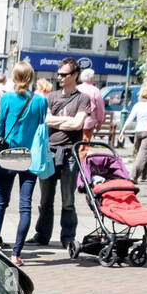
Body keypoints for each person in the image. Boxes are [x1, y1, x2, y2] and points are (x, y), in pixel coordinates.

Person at [0, 60, 48, 266]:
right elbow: (41, 127)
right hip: (30, 155)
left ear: (14, 77)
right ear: (31, 78)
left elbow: (0, 129)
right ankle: (16, 253)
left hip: (9, 154)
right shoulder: (40, 101)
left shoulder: (6, 99)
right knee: (25, 206)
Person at [30, 56, 86, 249]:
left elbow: (78, 124)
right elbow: (45, 120)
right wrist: (65, 121)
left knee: (68, 200)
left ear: (75, 75)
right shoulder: (51, 97)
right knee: (45, 199)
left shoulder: (82, 98)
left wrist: (57, 120)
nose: (59, 77)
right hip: (49, 152)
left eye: (64, 74)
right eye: (59, 74)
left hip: (70, 153)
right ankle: (42, 235)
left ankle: (68, 237)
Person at [118, 81, 147, 182]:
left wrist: (122, 131)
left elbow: (130, 118)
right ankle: (133, 176)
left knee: (140, 153)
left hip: (138, 131)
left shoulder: (137, 105)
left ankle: (144, 175)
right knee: (143, 154)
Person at [78, 67, 105, 141]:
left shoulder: (76, 88)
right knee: (84, 146)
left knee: (75, 144)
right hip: (88, 123)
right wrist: (100, 122)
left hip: (75, 121)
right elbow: (100, 108)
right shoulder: (95, 90)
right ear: (92, 78)